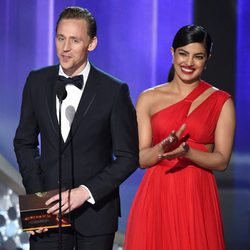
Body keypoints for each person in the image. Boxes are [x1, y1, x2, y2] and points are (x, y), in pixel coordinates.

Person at [13, 6, 139, 250]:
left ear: (92, 43)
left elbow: (128, 157)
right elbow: (24, 143)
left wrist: (85, 191)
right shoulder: (36, 81)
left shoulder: (114, 91)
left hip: (96, 215)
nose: (65, 48)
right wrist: (38, 200)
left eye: (74, 40)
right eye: (60, 38)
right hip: (46, 211)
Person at [124, 25, 235, 250]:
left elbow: (222, 160)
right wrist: (161, 148)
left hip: (197, 195)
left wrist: (188, 152)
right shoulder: (148, 98)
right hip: (156, 195)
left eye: (198, 56)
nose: (189, 62)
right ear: (172, 52)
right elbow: (142, 159)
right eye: (183, 53)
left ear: (207, 59)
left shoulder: (221, 101)